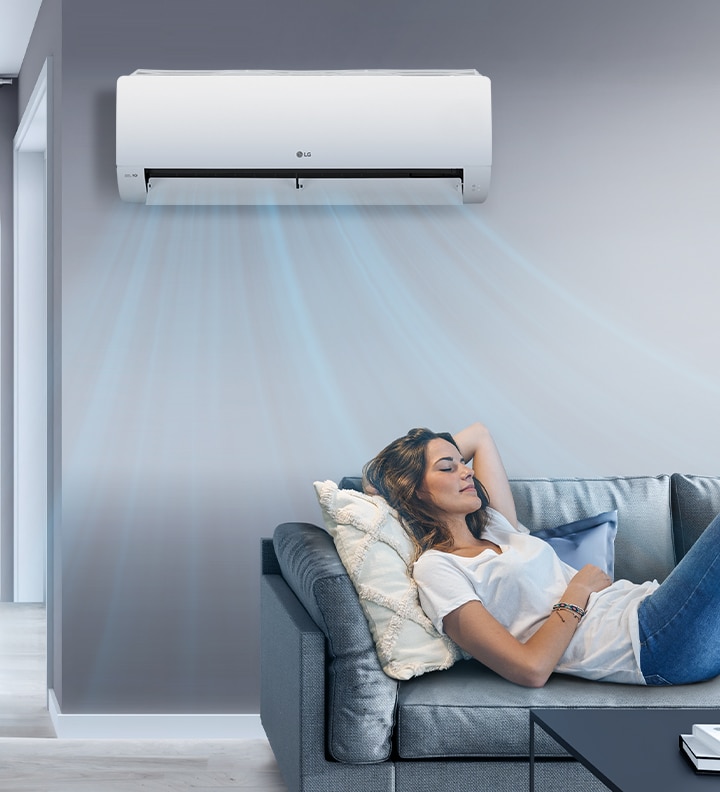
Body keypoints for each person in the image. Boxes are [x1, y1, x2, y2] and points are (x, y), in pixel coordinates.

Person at [363, 423, 720, 688]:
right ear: (415, 491)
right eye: (447, 467)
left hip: (657, 609)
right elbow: (530, 669)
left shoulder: (497, 527)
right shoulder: (437, 568)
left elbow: (480, 435)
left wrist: (412, 462)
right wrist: (578, 588)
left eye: (463, 463)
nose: (467, 470)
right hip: (648, 641)